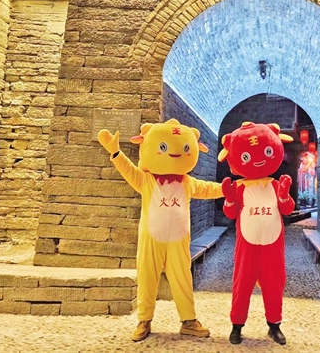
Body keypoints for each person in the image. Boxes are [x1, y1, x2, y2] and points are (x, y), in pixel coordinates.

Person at [98, 119, 223, 342]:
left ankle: (188, 321)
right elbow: (128, 170)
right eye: (163, 147)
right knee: (147, 277)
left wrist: (229, 189)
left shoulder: (187, 182)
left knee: (183, 278)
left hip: (178, 240)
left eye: (186, 148)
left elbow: (208, 189)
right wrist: (115, 152)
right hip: (151, 238)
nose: (175, 153)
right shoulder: (146, 180)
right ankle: (144, 320)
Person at [219, 122, 295, 345]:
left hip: (273, 244)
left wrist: (284, 195)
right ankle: (236, 326)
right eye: (246, 157)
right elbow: (231, 213)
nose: (259, 160)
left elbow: (287, 209)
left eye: (267, 152)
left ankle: (274, 325)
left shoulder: (275, 185)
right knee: (242, 283)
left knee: (274, 283)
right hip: (247, 245)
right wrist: (229, 199)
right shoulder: (240, 187)